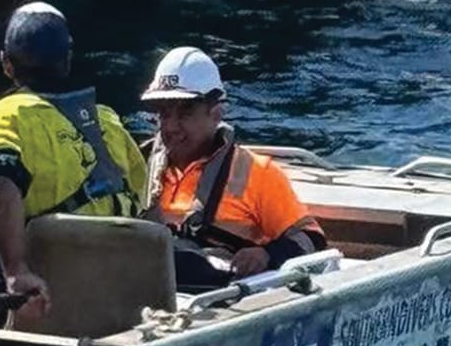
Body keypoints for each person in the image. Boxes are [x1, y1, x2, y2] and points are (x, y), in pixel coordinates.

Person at [0, 2, 148, 326]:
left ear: (6, 64)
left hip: (41, 301)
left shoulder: (1, 117)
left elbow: (2, 181)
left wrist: (15, 273)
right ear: (68, 60)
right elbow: (149, 212)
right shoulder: (108, 121)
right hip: (119, 300)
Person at [139, 45, 325, 289]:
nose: (171, 126)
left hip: (217, 303)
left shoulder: (256, 173)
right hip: (141, 293)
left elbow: (311, 238)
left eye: (185, 113)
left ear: (216, 114)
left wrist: (266, 255)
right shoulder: (138, 165)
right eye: (164, 114)